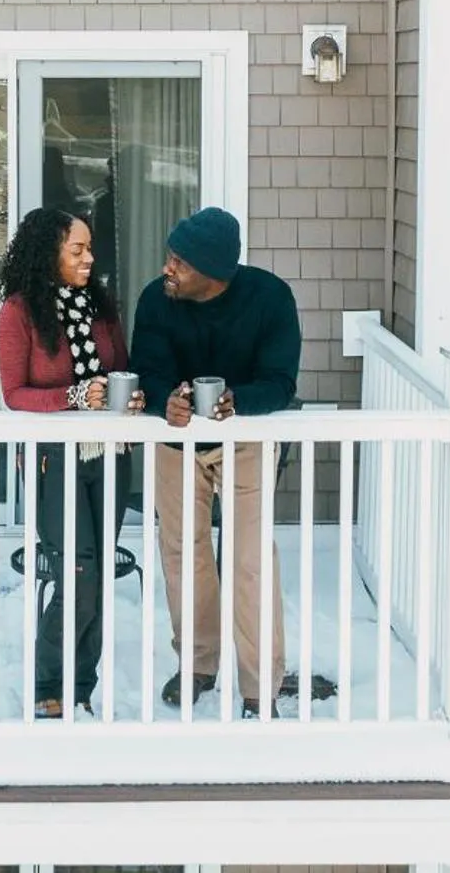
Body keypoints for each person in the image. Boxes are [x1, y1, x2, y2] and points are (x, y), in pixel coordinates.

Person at [126, 206, 308, 718]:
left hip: (245, 440)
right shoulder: (155, 300)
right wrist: (167, 401)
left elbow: (280, 380)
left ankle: (260, 686)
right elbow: (147, 368)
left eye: (180, 262)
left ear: (214, 272)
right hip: (175, 441)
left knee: (250, 561)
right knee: (183, 553)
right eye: (170, 256)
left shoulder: (270, 299)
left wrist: (238, 401)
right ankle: (198, 664)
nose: (168, 268)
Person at [0, 206, 131, 719]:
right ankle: (49, 682)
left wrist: (128, 398)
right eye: (77, 250)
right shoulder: (19, 312)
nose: (88, 259)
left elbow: (121, 368)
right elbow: (15, 394)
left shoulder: (100, 306)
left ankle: (81, 684)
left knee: (94, 579)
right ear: (47, 253)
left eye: (89, 249)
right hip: (55, 461)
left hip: (110, 456)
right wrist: (76, 396)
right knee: (78, 571)